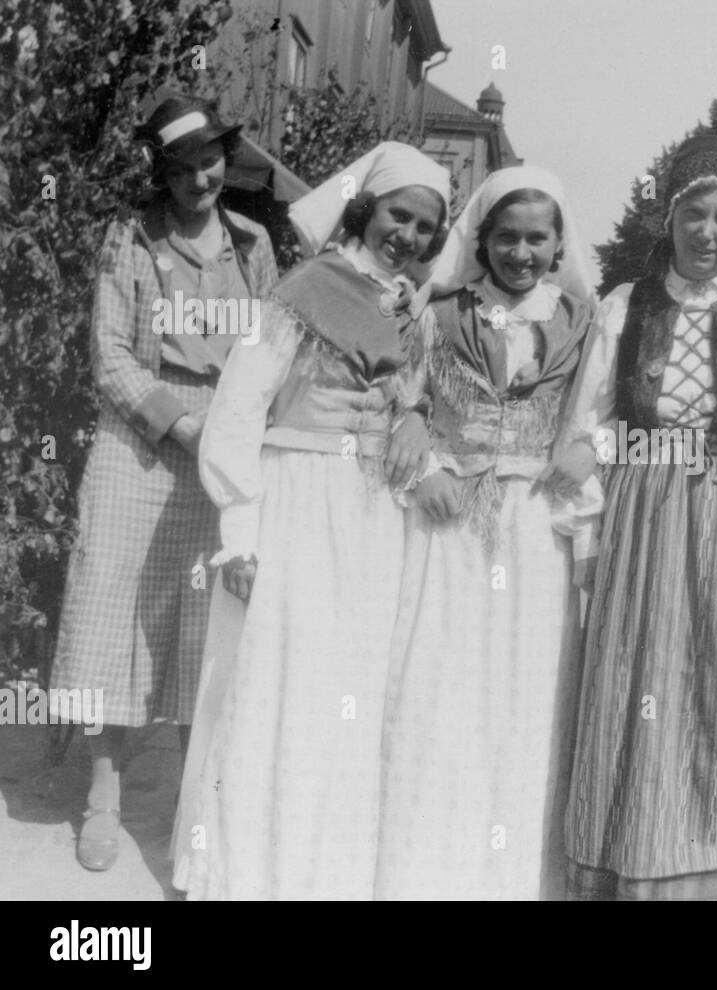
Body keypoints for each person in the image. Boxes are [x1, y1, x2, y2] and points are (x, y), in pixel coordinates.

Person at [171, 142, 449, 899]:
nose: (411, 237)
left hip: (372, 518)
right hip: (298, 501)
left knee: (350, 691)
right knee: (280, 678)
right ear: (366, 209)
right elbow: (237, 410)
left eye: (427, 227)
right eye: (400, 216)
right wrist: (241, 529)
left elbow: (411, 404)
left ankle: (325, 865)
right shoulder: (305, 288)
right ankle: (254, 863)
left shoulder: (411, 306)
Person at [560, 134, 717, 900]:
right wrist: (589, 526)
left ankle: (710, 867)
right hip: (641, 513)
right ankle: (627, 857)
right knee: (634, 678)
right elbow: (591, 424)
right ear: (669, 220)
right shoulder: (625, 306)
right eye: (693, 215)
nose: (706, 234)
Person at [48, 95, 278, 872]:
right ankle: (104, 796)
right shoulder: (131, 238)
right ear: (161, 171)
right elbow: (108, 352)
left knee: (203, 621)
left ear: (227, 158)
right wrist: (180, 424)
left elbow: (276, 349)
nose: (196, 179)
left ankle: (190, 807)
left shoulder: (254, 246)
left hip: (229, 441)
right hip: (143, 437)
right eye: (178, 167)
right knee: (105, 610)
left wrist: (239, 436)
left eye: (208, 161)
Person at [375, 166, 600, 900]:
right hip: (451, 519)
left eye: (538, 238)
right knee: (441, 688)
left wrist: (586, 445)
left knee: (525, 693)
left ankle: (511, 880)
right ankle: (428, 874)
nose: (522, 252)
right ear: (482, 237)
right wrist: (425, 459)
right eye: (507, 236)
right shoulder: (440, 310)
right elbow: (397, 399)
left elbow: (602, 410)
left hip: (536, 522)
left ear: (559, 242)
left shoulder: (579, 320)